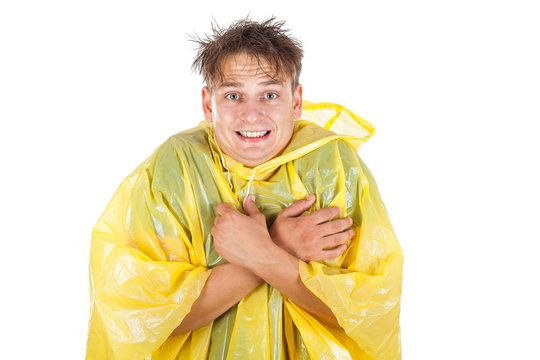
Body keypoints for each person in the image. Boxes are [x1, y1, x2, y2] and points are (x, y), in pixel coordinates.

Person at [86, 17, 403, 360]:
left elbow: (367, 315)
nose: (252, 115)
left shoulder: (333, 167)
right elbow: (144, 314)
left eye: (269, 94)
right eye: (234, 95)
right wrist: (280, 246)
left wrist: (262, 252)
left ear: (296, 101)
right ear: (209, 104)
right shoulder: (175, 168)